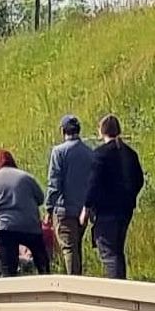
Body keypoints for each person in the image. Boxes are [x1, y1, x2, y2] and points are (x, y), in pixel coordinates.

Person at [81, 114, 145, 279]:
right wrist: (130, 197)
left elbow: (93, 184)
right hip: (125, 210)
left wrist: (86, 209)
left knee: (109, 253)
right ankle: (121, 283)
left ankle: (116, 288)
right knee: (117, 251)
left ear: (102, 131)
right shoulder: (130, 153)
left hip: (106, 211)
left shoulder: (100, 155)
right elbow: (139, 180)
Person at [0, 149, 48, 276]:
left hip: (3, 228)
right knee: (43, 263)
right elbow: (40, 199)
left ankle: (11, 291)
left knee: (8, 269)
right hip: (29, 225)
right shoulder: (26, 177)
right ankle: (48, 285)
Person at [45, 115, 96, 275]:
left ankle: (74, 284)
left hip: (64, 210)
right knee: (77, 246)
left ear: (63, 131)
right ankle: (79, 280)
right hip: (83, 210)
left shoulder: (58, 152)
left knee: (69, 248)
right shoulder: (89, 152)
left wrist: (48, 208)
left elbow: (54, 182)